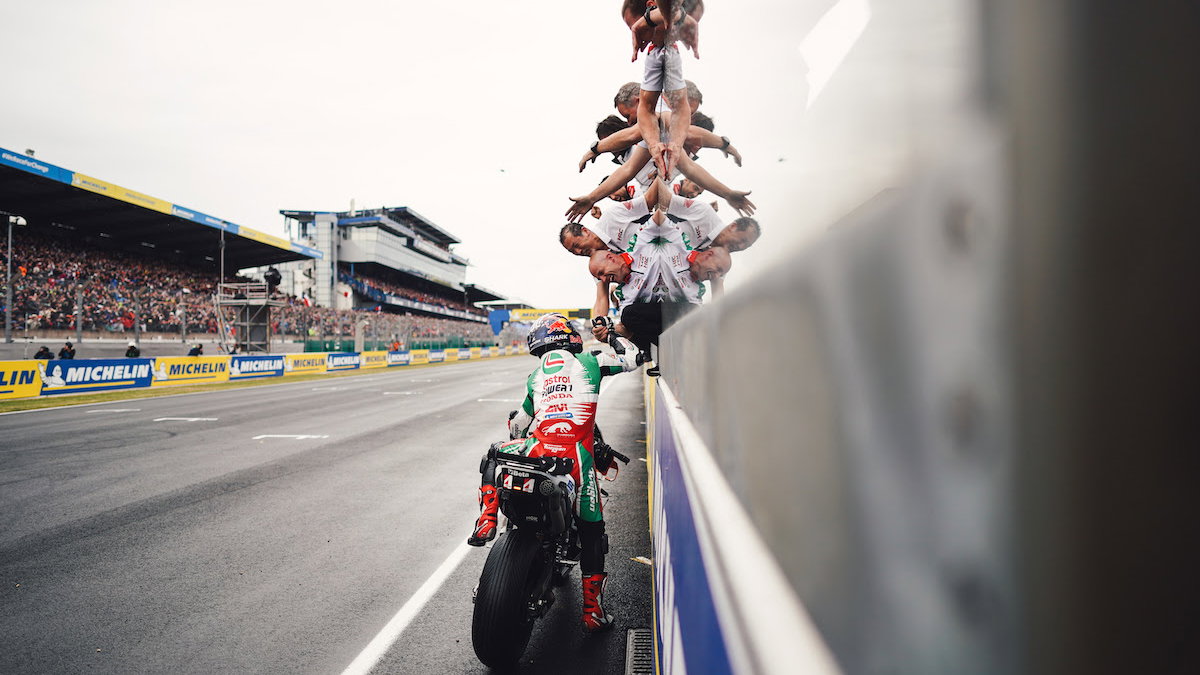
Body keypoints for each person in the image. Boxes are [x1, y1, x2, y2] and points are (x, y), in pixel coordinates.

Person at [468, 313, 641, 632]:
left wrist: (520, 441)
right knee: (593, 532)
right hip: (576, 460)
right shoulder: (591, 361)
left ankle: (487, 518)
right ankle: (593, 611)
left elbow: (518, 424)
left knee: (493, 454)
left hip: (536, 451)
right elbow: (633, 357)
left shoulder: (535, 376)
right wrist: (610, 338)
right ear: (569, 337)